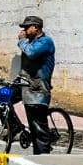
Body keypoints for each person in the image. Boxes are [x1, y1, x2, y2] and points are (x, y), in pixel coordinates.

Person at [17, 14, 55, 155]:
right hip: (25, 84)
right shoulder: (30, 42)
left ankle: (42, 157)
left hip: (38, 89)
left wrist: (22, 41)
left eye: (27, 28)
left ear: (36, 28)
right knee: (2, 96)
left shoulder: (45, 42)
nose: (25, 31)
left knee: (38, 129)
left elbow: (32, 53)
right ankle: (15, 129)